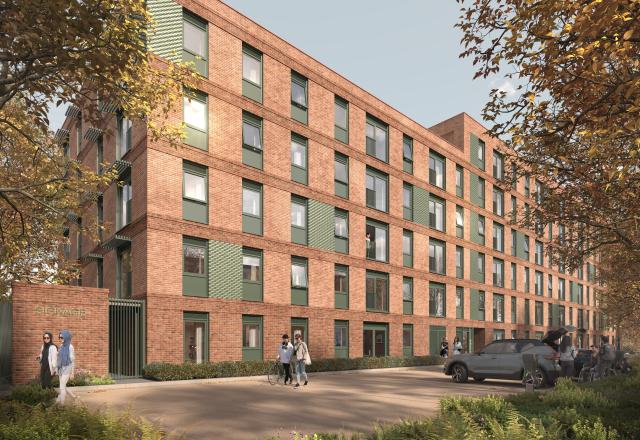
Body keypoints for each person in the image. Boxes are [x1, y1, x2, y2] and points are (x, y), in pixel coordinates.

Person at [56, 329, 75, 404]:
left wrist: (72, 373)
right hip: (61, 368)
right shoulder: (61, 346)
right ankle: (74, 397)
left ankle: (62, 405)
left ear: (66, 337)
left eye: (62, 337)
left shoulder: (70, 347)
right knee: (63, 385)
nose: (60, 339)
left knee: (62, 386)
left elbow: (72, 360)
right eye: (59, 337)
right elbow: (59, 357)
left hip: (68, 367)